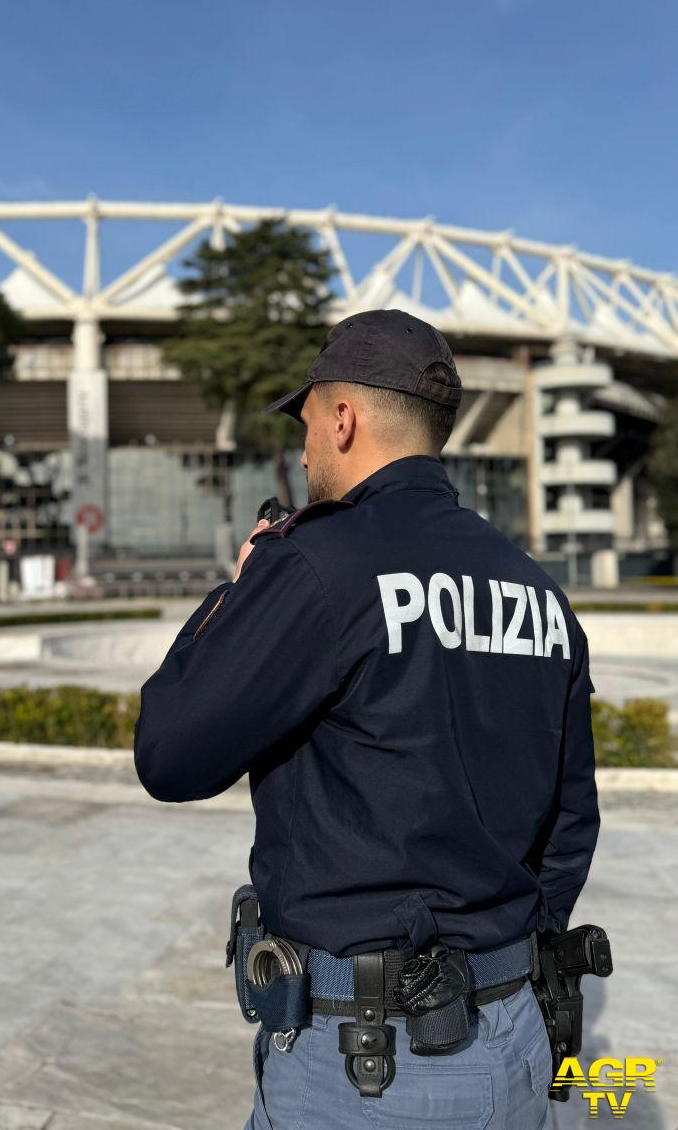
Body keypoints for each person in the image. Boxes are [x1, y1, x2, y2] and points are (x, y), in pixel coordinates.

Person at [133, 309, 600, 1129]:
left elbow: (169, 756)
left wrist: (242, 590)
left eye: (309, 423)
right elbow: (570, 826)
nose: (305, 448)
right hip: (515, 1037)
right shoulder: (537, 590)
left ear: (344, 419)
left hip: (367, 1065)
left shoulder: (318, 563)